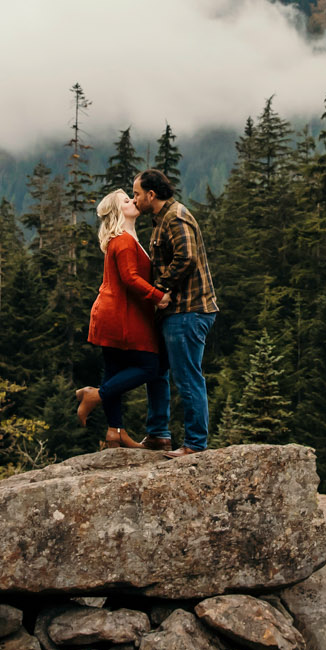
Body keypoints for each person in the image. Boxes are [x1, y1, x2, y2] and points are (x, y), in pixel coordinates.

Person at [132, 167, 218, 457]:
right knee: (156, 371)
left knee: (186, 376)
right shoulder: (161, 220)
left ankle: (195, 444)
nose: (135, 200)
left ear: (151, 194)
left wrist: (161, 289)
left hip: (189, 311)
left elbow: (186, 257)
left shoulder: (175, 217)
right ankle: (158, 434)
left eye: (137, 194)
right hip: (174, 314)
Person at [76, 188, 171, 449]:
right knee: (150, 367)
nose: (133, 201)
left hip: (113, 312)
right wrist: (158, 296)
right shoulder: (124, 241)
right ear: (119, 211)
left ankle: (115, 433)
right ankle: (95, 395)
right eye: (127, 200)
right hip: (119, 314)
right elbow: (130, 278)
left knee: (114, 370)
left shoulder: (125, 238)